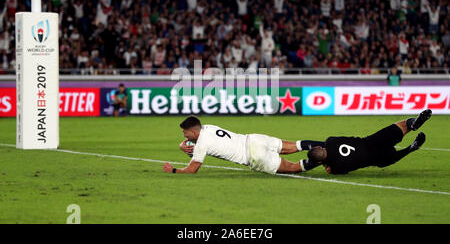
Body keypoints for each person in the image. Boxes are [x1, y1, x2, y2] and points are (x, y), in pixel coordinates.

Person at [162, 116, 322, 174]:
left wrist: (174, 170)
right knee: (295, 146)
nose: (184, 136)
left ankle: (323, 159)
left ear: (193, 132)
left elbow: (192, 169)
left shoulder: (202, 143)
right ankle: (326, 146)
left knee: (293, 168)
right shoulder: (209, 127)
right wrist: (183, 145)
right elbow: (195, 146)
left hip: (253, 156)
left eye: (185, 133)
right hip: (254, 139)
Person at [303, 109, 432, 175]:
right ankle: (413, 125)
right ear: (320, 146)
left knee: (393, 158)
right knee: (403, 125)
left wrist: (326, 165)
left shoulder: (336, 168)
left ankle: (411, 148)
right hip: (372, 141)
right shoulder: (330, 141)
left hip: (376, 158)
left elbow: (332, 169)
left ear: (320, 162)